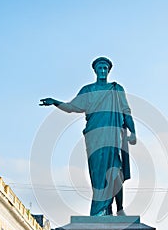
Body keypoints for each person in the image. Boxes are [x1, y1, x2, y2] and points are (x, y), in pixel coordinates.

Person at [40, 57, 136, 216]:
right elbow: (72, 107)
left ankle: (119, 209)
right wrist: (55, 102)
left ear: (109, 70)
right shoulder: (88, 90)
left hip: (113, 134)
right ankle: (102, 209)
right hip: (94, 136)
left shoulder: (116, 89)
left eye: (105, 68)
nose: (103, 71)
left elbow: (126, 112)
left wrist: (133, 132)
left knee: (115, 172)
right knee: (98, 173)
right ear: (95, 70)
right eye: (100, 68)